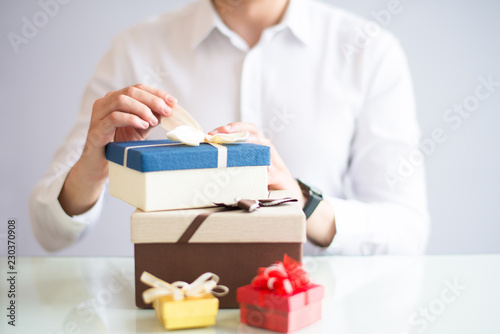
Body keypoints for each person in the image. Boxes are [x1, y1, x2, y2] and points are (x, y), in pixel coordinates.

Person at [30, 0, 430, 255]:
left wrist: (303, 204)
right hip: (174, 306)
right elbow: (49, 231)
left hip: (316, 311)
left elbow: (408, 231)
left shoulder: (368, 51)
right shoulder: (135, 50)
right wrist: (92, 165)